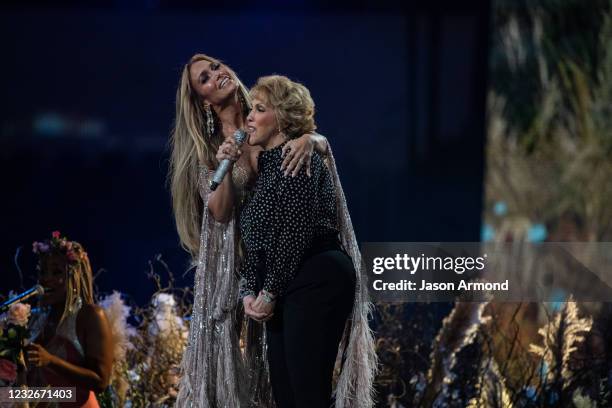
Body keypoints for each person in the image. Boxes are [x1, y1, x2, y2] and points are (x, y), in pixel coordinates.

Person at [169, 54, 330, 407]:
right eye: (205, 79)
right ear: (203, 101)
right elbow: (221, 213)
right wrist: (223, 165)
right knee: (230, 352)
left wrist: (313, 140)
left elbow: (307, 132)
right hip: (235, 260)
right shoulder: (208, 148)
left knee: (285, 364)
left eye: (215, 66)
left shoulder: (267, 110)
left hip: (284, 254)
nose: (217, 74)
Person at [238, 75, 377, 408]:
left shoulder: (298, 158)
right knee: (287, 397)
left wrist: (269, 292)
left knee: (307, 395)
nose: (249, 117)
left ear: (283, 119)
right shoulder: (269, 167)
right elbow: (258, 242)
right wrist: (248, 291)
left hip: (315, 276)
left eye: (259, 109)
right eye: (250, 109)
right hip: (287, 283)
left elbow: (294, 232)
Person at [27, 231, 113, 408]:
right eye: (42, 272)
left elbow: (101, 382)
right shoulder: (38, 319)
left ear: (73, 276)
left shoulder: (90, 316)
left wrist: (51, 361)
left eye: (56, 272)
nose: (46, 279)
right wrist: (8, 395)